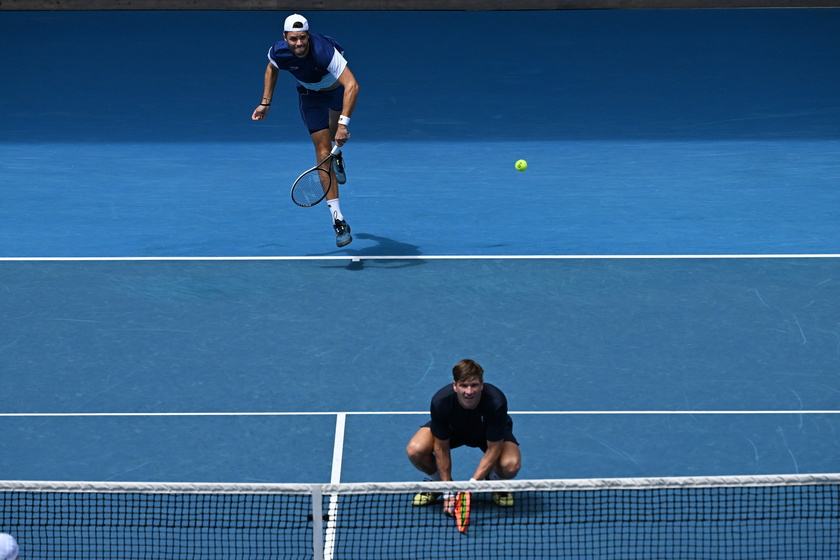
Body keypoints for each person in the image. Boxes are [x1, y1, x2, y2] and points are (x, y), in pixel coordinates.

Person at [251, 13, 360, 248]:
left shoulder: (324, 52)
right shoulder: (280, 51)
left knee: (334, 138)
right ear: (285, 38)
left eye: (302, 38)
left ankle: (337, 154)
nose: (298, 43)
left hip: (336, 93)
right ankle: (338, 220)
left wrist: (343, 124)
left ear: (308, 36)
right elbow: (272, 68)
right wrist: (266, 102)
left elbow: (352, 85)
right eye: (293, 39)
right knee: (323, 155)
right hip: (311, 98)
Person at [406, 359, 521, 515]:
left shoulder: (496, 402)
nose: (469, 391)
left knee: (511, 466)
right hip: (454, 432)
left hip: (485, 434)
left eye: (474, 385)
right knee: (415, 450)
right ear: (455, 385)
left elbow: (494, 448)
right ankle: (439, 484)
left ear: (482, 385)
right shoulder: (441, 402)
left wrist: (471, 486)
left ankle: (494, 482)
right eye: (464, 386)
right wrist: (448, 491)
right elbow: (441, 448)